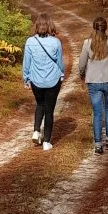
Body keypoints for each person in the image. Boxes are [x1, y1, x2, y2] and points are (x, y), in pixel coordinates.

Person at [77, 15, 108, 155]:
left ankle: (98, 144)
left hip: (94, 81)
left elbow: (81, 62)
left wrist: (81, 73)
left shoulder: (87, 43)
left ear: (94, 27)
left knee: (97, 113)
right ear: (106, 27)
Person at [22, 12, 64, 151]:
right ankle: (46, 142)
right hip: (52, 80)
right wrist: (61, 75)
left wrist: (26, 78)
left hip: (36, 81)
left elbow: (26, 63)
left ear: (37, 26)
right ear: (50, 25)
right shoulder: (56, 42)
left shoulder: (30, 41)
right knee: (49, 110)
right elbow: (59, 62)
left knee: (40, 104)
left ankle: (35, 131)